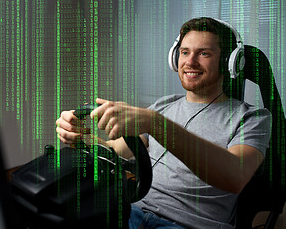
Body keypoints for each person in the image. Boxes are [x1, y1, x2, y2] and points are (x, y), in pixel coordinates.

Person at [55, 17, 271, 229]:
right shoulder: (164, 105)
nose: (190, 62)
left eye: (204, 53)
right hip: (132, 212)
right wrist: (80, 137)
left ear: (229, 61)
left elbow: (235, 176)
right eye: (185, 52)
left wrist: (156, 124)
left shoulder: (253, 118)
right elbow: (117, 151)